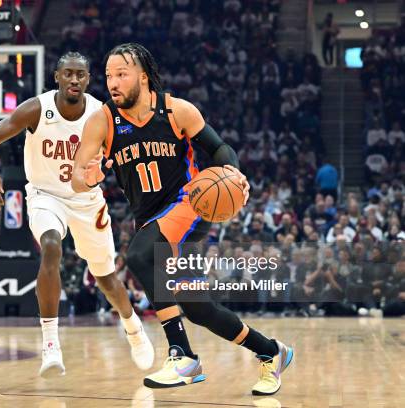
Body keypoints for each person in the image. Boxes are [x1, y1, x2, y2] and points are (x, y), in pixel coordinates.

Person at [72, 43, 293, 395]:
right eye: (109, 75)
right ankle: (271, 351)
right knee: (197, 307)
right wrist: (90, 175)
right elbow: (77, 176)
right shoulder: (102, 120)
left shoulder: (176, 110)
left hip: (189, 205)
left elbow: (220, 149)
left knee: (141, 256)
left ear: (143, 77)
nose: (112, 82)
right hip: (150, 219)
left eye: (121, 74)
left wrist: (232, 174)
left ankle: (183, 355)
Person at [0, 51, 154, 377]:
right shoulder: (36, 109)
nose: (74, 80)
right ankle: (50, 342)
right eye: (68, 73)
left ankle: (133, 327)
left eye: (80, 75)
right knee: (52, 246)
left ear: (87, 79)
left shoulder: (102, 114)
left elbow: (128, 155)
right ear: (57, 76)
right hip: (45, 195)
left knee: (107, 279)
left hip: (86, 201)